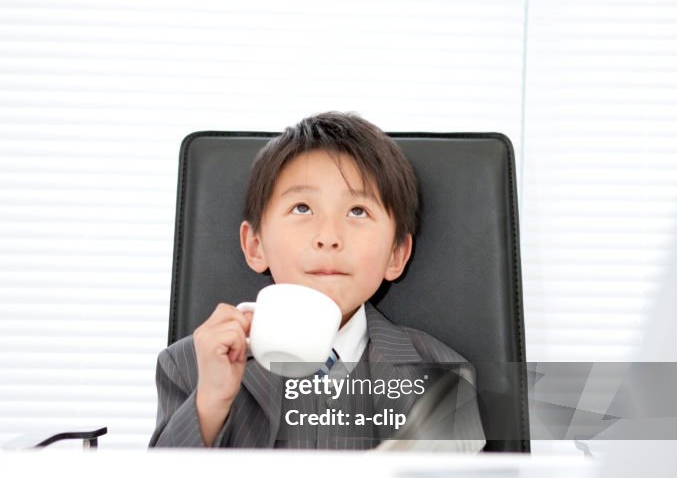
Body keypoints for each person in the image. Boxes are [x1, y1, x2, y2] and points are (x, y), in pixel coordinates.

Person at [149, 112, 485, 450]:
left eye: (357, 211)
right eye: (301, 208)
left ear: (396, 254)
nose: (328, 237)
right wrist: (210, 402)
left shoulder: (444, 377)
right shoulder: (191, 367)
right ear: (255, 245)